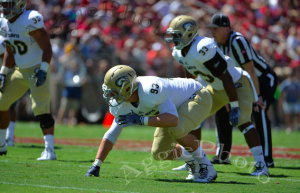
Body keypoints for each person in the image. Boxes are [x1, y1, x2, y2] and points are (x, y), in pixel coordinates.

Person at [165, 15, 269, 176]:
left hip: (237, 83)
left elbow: (226, 78)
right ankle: (195, 162)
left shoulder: (202, 47)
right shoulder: (179, 52)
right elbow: (190, 74)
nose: (173, 38)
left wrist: (234, 107)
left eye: (177, 34)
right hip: (217, 87)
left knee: (242, 121)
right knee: (192, 116)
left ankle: (262, 165)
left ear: (189, 34)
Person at [85, 65, 218, 183]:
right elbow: (112, 133)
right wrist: (97, 164)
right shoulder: (121, 105)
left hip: (196, 96)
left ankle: (207, 168)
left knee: (177, 130)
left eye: (114, 91)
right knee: (160, 152)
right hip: (173, 109)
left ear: (127, 88)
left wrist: (140, 119)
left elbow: (172, 120)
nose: (111, 96)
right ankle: (192, 159)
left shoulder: (150, 89)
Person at [206, 13, 278, 167]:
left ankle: (266, 159)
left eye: (215, 29)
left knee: (259, 111)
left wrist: (256, 96)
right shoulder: (216, 44)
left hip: (262, 79)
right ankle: (223, 155)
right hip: (240, 80)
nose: (212, 32)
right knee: (221, 109)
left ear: (226, 29)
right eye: (211, 29)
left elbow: (251, 70)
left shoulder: (237, 41)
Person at [0, 0, 56, 160]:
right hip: (19, 70)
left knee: (40, 108)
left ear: (19, 4)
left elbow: (47, 48)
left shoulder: (30, 18)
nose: (4, 7)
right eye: (3, 4)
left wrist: (43, 70)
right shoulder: (3, 22)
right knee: (1, 103)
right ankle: (2, 143)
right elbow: (10, 49)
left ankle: (50, 150)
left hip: (37, 68)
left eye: (8, 4)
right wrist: (3, 72)